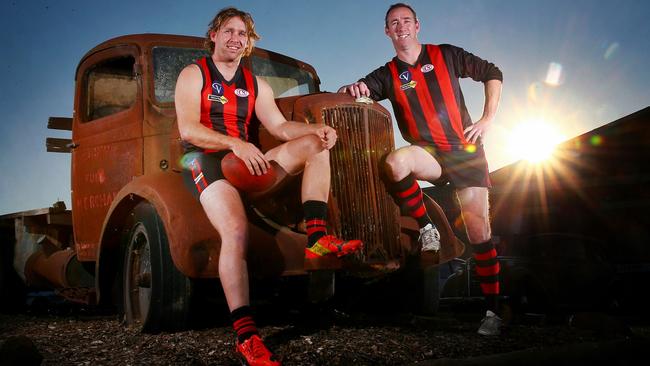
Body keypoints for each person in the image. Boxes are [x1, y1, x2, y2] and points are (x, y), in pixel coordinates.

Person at [175, 7, 363, 365]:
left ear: (248, 43)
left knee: (316, 146)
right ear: (213, 35)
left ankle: (317, 239)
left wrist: (313, 130)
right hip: (205, 160)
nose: (235, 38)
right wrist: (234, 143)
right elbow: (187, 130)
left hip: (246, 159)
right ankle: (246, 337)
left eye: (242, 34)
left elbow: (279, 128)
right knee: (235, 230)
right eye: (228, 31)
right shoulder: (193, 73)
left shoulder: (255, 84)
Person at [339, 3, 503, 336]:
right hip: (429, 153)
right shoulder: (386, 74)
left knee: (478, 233)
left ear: (417, 25)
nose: (400, 27)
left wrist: (487, 119)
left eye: (405, 21)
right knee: (396, 162)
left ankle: (494, 312)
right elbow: (357, 90)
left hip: (466, 152)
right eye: (393, 23)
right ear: (387, 32)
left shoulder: (447, 54)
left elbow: (493, 73)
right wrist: (351, 89)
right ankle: (427, 227)